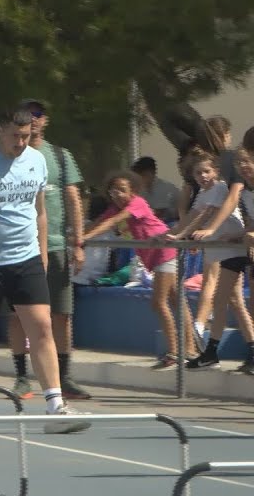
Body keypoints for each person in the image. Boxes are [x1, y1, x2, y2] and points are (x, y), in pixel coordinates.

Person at [0, 111, 90, 434]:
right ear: (1, 130)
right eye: (15, 136)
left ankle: (55, 406)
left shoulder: (37, 160)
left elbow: (39, 210)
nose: (20, 142)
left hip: (25, 259)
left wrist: (41, 256)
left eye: (26, 136)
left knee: (42, 328)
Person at [6, 100, 89, 401]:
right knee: (18, 315)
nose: (34, 120)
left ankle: (64, 378)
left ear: (46, 120)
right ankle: (20, 377)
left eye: (38, 115)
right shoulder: (10, 154)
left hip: (55, 247)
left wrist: (77, 243)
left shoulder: (60, 157)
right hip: (18, 248)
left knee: (61, 314)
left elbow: (73, 198)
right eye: (28, 116)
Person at [84, 174, 194, 369]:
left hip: (164, 251)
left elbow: (114, 221)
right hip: (155, 256)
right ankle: (190, 348)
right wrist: (82, 235)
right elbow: (101, 221)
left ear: (132, 191)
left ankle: (175, 351)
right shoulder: (114, 208)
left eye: (121, 190)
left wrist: (84, 239)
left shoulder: (137, 203)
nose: (117, 195)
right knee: (176, 300)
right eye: (113, 191)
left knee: (158, 302)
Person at [171, 149, 254, 368]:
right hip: (228, 248)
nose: (203, 176)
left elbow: (205, 214)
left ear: (216, 172)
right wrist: (173, 234)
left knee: (232, 301)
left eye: (206, 171)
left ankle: (222, 349)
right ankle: (214, 352)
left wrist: (186, 234)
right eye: (198, 173)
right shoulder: (209, 192)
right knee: (228, 302)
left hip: (235, 250)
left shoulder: (219, 189)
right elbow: (194, 213)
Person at [131, 157, 181, 223]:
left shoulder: (164, 188)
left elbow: (158, 213)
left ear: (149, 174)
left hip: (172, 222)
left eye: (138, 177)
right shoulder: (142, 189)